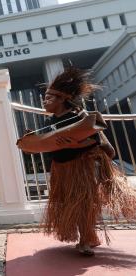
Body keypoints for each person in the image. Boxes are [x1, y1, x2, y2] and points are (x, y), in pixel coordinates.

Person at [40, 67, 136, 256]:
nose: (45, 101)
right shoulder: (48, 122)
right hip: (60, 169)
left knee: (83, 203)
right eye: (45, 97)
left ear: (63, 99)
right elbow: (46, 144)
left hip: (81, 168)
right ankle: (86, 236)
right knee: (67, 203)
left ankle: (85, 239)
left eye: (50, 98)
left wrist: (74, 145)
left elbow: (95, 140)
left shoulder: (79, 117)